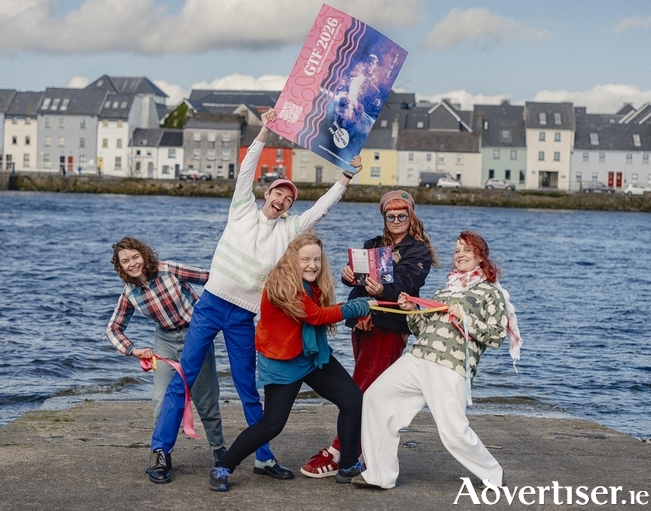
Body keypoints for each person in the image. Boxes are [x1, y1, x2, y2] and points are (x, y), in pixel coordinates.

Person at [148, 109, 363, 485]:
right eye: (279, 192)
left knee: (248, 387)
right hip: (211, 305)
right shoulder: (242, 209)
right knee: (185, 376)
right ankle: (161, 451)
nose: (282, 200)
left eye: (288, 199)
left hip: (242, 316)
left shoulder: (288, 232)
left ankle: (262, 458)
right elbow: (246, 167)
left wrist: (346, 177)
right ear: (268, 193)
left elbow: (321, 209)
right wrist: (266, 127)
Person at [352, 230, 522, 490]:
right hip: (419, 357)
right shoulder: (446, 289)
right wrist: (412, 311)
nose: (460, 254)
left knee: (453, 432)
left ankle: (493, 475)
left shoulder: (491, 293)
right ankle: (379, 474)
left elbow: (496, 335)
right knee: (375, 398)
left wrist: (464, 318)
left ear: (480, 258)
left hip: (449, 365)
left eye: (466, 249)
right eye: (456, 250)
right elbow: (423, 328)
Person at [208, 232, 376, 492]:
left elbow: (317, 316)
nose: (312, 265)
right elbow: (316, 316)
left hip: (311, 354)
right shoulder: (282, 283)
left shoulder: (309, 282)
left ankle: (348, 465)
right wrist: (356, 307)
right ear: (292, 259)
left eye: (317, 260)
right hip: (283, 360)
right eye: (305, 259)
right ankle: (224, 467)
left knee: (352, 399)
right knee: (271, 424)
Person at [301, 190, 438, 478]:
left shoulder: (418, 251)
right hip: (363, 321)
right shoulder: (372, 245)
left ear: (411, 216)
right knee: (366, 389)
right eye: (391, 215)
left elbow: (407, 284)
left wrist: (382, 290)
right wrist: (347, 275)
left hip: (390, 325)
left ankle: (339, 452)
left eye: (403, 214)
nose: (397, 219)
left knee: (360, 389)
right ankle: (359, 451)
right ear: (384, 218)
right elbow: (359, 281)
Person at [106, 237, 226, 469]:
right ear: (120, 267)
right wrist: (133, 350)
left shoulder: (169, 270)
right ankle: (161, 454)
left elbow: (211, 278)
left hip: (196, 336)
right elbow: (113, 329)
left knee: (206, 399)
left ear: (144, 255)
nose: (132, 263)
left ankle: (219, 450)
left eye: (135, 257)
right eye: (125, 261)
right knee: (161, 399)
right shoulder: (129, 293)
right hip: (165, 341)